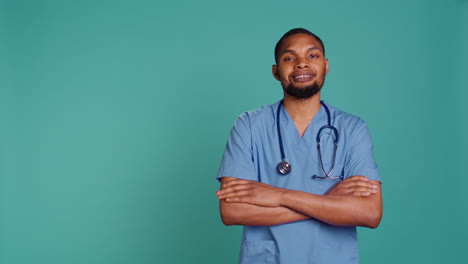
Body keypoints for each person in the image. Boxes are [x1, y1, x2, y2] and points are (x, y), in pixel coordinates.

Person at [215, 28, 382, 264]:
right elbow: (232, 212)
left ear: (326, 65)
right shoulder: (249, 126)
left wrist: (278, 195)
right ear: (276, 71)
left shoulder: (352, 129)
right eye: (289, 58)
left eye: (312, 56)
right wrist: (328, 202)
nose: (301, 64)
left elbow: (370, 213)